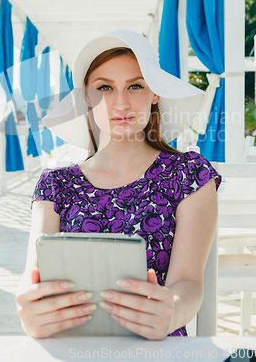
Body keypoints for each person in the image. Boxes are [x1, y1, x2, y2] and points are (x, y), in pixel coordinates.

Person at [15, 29, 221, 339]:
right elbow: (31, 278)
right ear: (87, 98)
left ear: (155, 93)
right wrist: (29, 310)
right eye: (105, 88)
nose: (121, 103)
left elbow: (189, 283)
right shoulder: (55, 184)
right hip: (72, 348)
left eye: (135, 86)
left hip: (159, 348)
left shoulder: (188, 174)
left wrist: (172, 311)